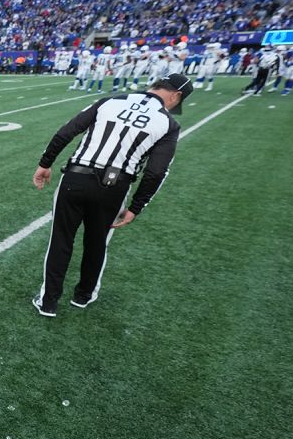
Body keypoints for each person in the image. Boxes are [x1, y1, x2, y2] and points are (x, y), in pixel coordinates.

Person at [30, 74, 191, 316]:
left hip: (76, 177)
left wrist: (45, 163)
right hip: (115, 187)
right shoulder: (168, 123)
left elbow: (66, 131)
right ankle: (83, 296)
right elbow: (156, 172)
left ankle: (48, 301)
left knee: (61, 240)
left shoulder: (110, 101)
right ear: (176, 95)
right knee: (97, 244)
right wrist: (137, 206)